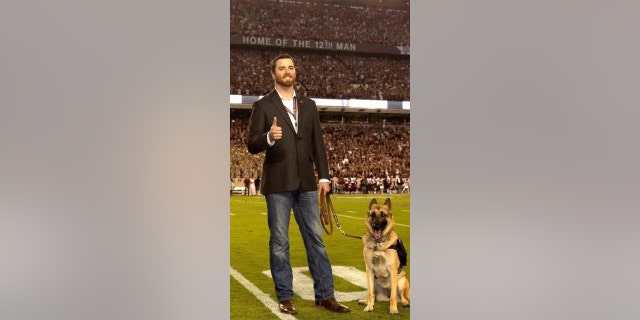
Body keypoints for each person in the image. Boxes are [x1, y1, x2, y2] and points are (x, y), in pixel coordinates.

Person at [247, 53, 350, 315]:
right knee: (280, 242)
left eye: (290, 67)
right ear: (273, 74)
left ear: (295, 72)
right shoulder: (263, 105)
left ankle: (325, 295)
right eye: (281, 68)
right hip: (278, 183)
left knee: (316, 240)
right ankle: (285, 296)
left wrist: (324, 176)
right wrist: (268, 137)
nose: (287, 71)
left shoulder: (308, 104)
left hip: (307, 182)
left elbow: (318, 143)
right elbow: (251, 144)